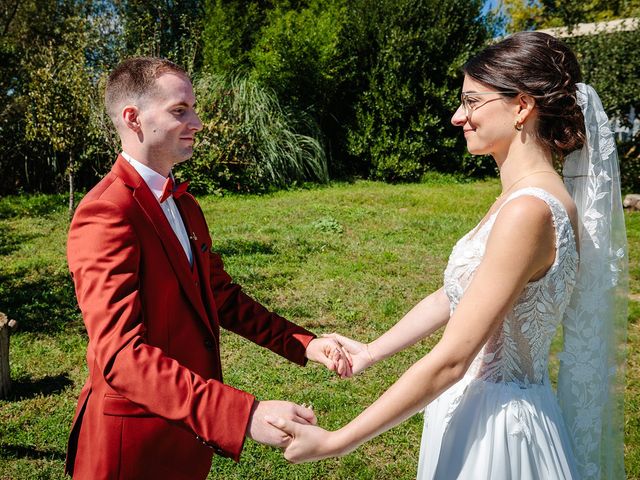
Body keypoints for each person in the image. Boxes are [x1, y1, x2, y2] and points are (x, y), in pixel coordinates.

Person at [268, 32, 628, 479]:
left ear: (521, 106)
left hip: (499, 435)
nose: (459, 117)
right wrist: (370, 353)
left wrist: (337, 442)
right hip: (478, 413)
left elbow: (453, 359)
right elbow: (455, 294)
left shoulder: (529, 210)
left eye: (472, 101)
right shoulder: (521, 196)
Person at [65, 57, 350, 480]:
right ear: (133, 118)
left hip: (186, 437)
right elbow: (121, 357)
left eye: (193, 109)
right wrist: (243, 415)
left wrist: (303, 343)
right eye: (181, 110)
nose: (197, 122)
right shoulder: (106, 213)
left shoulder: (184, 203)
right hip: (135, 447)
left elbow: (219, 296)